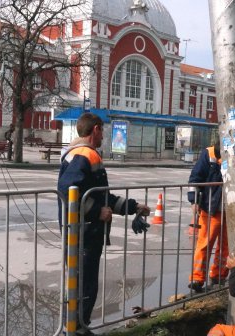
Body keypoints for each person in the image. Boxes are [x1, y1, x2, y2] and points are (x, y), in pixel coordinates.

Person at [57, 112, 150, 332]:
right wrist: (96, 212)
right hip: (84, 232)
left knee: (80, 283)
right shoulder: (85, 155)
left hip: (83, 231)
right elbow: (69, 192)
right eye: (103, 131)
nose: (104, 136)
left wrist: (133, 207)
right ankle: (77, 328)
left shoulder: (82, 154)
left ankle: (76, 326)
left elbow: (102, 197)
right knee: (83, 284)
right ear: (96, 129)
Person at [188, 142, 228, 292]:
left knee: (226, 247)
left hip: (231, 211)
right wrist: (194, 200)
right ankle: (197, 278)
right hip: (211, 208)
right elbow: (195, 179)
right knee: (204, 244)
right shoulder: (209, 154)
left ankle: (219, 276)